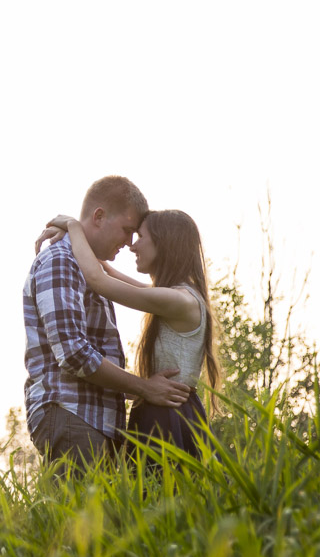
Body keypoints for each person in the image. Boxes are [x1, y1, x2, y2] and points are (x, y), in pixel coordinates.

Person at [23, 176, 192, 471]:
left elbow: (109, 278)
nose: (129, 243)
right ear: (99, 216)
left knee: (104, 517)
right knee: (79, 518)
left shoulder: (87, 266)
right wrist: (143, 388)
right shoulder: (63, 261)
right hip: (72, 414)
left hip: (91, 420)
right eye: (128, 230)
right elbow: (73, 352)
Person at [37, 208, 220, 460]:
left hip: (168, 416)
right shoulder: (176, 295)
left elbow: (97, 281)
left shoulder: (179, 299)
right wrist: (78, 239)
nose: (133, 247)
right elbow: (105, 273)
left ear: (164, 242)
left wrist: (73, 226)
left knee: (159, 494)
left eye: (141, 237)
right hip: (162, 410)